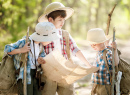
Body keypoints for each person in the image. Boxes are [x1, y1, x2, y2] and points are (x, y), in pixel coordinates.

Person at [37, 2, 92, 95]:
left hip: (65, 72)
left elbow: (75, 49)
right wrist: (38, 59)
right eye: (60, 20)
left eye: (63, 20)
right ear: (50, 20)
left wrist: (88, 65)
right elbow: (37, 51)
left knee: (68, 92)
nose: (62, 22)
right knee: (47, 92)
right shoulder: (43, 34)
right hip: (48, 73)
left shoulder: (65, 34)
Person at [4, 22, 60, 95]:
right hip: (25, 75)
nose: (51, 41)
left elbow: (42, 56)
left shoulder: (40, 46)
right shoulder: (25, 42)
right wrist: (21, 50)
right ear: (43, 37)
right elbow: (7, 49)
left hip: (36, 74)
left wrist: (41, 59)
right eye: (49, 39)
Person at [86, 28, 119, 95]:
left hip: (105, 84)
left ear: (102, 42)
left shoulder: (108, 53)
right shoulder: (98, 52)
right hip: (97, 82)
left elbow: (115, 63)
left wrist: (115, 50)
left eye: (94, 44)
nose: (92, 46)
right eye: (91, 44)